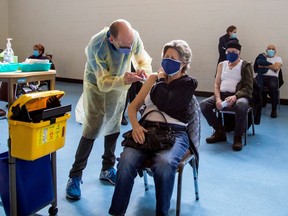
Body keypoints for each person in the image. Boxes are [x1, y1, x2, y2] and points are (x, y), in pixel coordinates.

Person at [65, 19, 152, 200]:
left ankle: (107, 168)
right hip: (96, 85)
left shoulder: (132, 37)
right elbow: (103, 83)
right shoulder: (97, 45)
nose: (128, 50)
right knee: (92, 128)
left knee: (114, 123)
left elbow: (142, 58)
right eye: (124, 47)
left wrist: (142, 71)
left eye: (130, 45)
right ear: (112, 39)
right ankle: (75, 176)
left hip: (120, 83)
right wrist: (124, 80)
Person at [109, 40, 198, 216]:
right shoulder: (151, 79)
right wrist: (135, 126)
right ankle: (117, 212)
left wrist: (162, 79)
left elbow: (167, 102)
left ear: (184, 63)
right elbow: (133, 107)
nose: (167, 61)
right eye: (165, 57)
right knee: (126, 162)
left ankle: (161, 213)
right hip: (147, 130)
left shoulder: (188, 84)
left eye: (173, 58)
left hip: (175, 133)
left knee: (164, 164)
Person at [200, 40, 253, 151]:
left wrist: (235, 97)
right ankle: (220, 131)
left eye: (234, 51)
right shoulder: (221, 64)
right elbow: (216, 84)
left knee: (241, 105)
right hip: (222, 94)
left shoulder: (245, 65)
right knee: (204, 105)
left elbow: (248, 87)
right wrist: (218, 99)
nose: (231, 54)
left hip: (239, 95)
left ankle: (238, 136)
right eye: (228, 51)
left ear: (239, 53)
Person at [254, 44, 283, 118]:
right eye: (269, 48)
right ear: (266, 50)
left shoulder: (278, 58)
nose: (271, 50)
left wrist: (264, 65)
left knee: (273, 87)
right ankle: (255, 107)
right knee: (254, 84)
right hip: (261, 76)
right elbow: (258, 65)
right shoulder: (262, 57)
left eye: (273, 49)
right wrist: (271, 66)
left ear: (275, 51)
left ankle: (274, 110)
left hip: (272, 77)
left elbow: (276, 67)